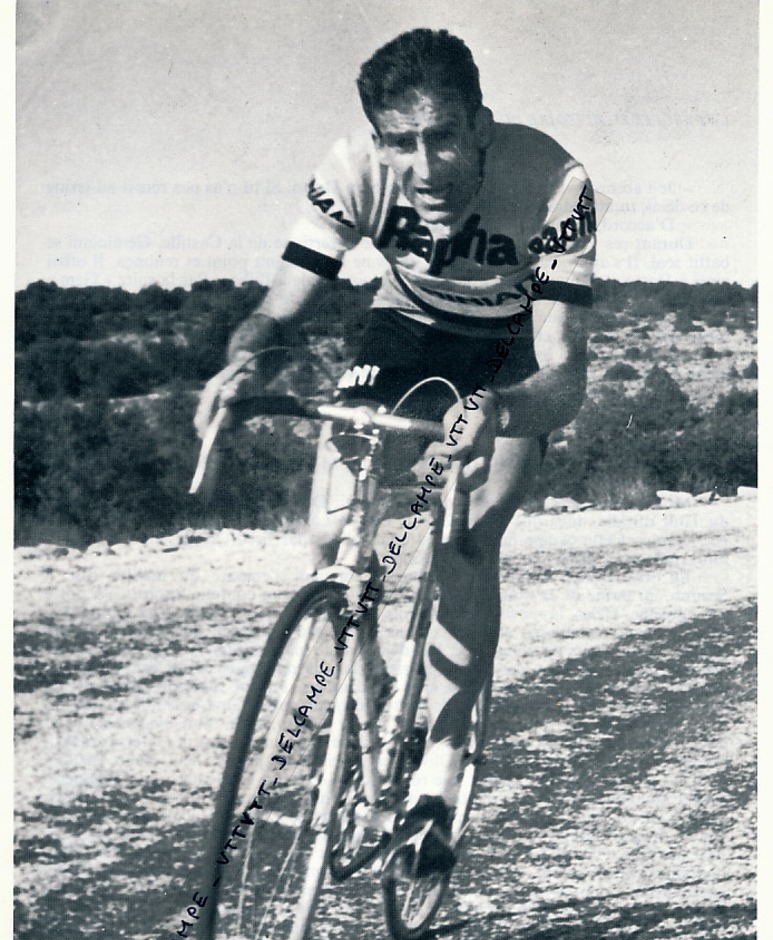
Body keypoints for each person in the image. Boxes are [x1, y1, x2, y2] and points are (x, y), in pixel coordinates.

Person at [195, 28, 597, 877]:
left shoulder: (557, 183)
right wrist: (243, 358)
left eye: (444, 135)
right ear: (376, 140)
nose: (426, 165)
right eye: (400, 142)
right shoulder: (352, 170)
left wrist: (505, 410)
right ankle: (360, 698)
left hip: (508, 349)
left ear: (480, 125)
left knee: (464, 541)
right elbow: (279, 306)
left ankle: (437, 785)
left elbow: (565, 375)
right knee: (329, 533)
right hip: (405, 328)